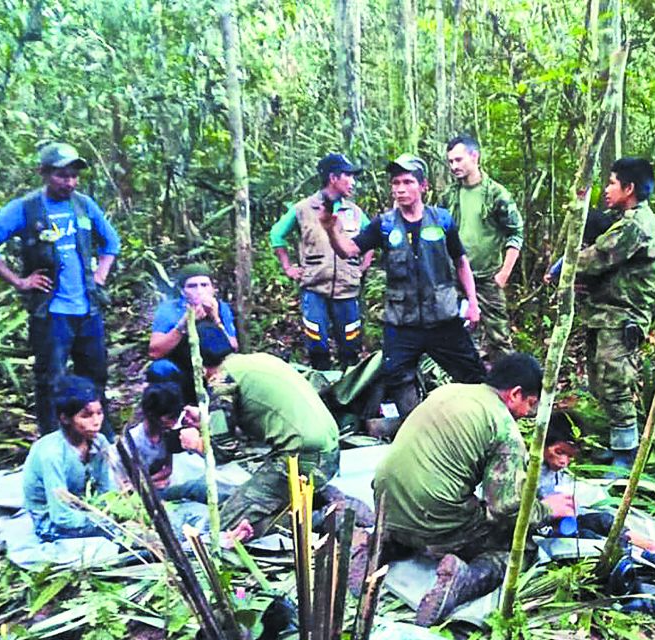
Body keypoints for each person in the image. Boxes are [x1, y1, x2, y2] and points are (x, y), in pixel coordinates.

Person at [372, 353, 575, 626]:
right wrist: (547, 509)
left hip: (384, 502)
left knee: (436, 506)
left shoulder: (449, 391)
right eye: (529, 404)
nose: (527, 414)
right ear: (515, 393)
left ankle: (385, 543)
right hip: (433, 516)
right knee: (520, 550)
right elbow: (505, 508)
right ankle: (463, 581)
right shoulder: (504, 428)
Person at [0, 142, 120, 437]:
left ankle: (101, 436)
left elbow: (111, 243)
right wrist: (19, 281)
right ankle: (54, 440)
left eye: (74, 176)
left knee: (96, 376)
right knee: (51, 380)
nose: (70, 182)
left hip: (87, 309)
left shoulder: (84, 205)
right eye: (62, 175)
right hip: (51, 314)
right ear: (43, 173)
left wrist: (99, 276)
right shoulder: (26, 209)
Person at [322, 154, 486, 416]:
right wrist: (331, 229)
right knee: (396, 375)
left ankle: (478, 423)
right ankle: (415, 425)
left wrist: (473, 303)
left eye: (408, 182)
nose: (400, 189)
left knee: (472, 375)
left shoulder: (442, 220)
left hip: (443, 317)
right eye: (395, 182)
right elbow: (348, 250)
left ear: (423, 186)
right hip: (401, 321)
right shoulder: (384, 225)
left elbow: (461, 262)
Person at [571, 158, 655, 471]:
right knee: (600, 381)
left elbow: (596, 258)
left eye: (611, 183)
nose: (606, 190)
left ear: (629, 188)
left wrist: (563, 268)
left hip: (622, 318)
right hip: (604, 314)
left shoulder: (635, 226)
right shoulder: (622, 218)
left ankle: (626, 456)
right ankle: (616, 444)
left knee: (616, 383)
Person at [203, 352, 349, 545]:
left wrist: (198, 442)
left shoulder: (222, 379)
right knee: (244, 503)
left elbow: (223, 450)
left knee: (222, 528)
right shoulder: (257, 360)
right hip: (328, 451)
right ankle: (319, 503)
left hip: (302, 458)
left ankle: (321, 519)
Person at [270, 153, 374, 370]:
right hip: (314, 287)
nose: (353, 182)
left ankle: (350, 391)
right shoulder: (303, 209)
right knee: (317, 343)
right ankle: (321, 386)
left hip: (347, 289)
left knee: (350, 344)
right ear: (333, 178)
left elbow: (370, 237)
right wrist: (288, 267)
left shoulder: (354, 212)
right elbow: (277, 235)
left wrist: (364, 265)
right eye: (348, 176)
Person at [537, 411, 655, 560]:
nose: (564, 461)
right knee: (590, 538)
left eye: (570, 456)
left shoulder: (555, 472)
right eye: (559, 452)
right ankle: (643, 556)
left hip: (563, 521)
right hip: (540, 527)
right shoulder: (528, 470)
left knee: (605, 521)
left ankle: (651, 546)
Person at [443, 135, 524, 361]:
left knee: (499, 339)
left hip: (488, 278)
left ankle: (507, 390)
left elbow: (516, 232)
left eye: (458, 160)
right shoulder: (449, 195)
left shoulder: (496, 194)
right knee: (456, 338)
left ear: (474, 156)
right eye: (450, 162)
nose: (454, 166)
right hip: (455, 279)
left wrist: (503, 274)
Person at [22, 375, 114, 541]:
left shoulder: (100, 442)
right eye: (86, 416)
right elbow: (60, 515)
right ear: (65, 418)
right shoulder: (52, 454)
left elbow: (107, 490)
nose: (96, 422)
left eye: (99, 413)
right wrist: (102, 521)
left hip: (88, 510)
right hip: (53, 521)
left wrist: (111, 510)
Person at [148, 263, 238, 402]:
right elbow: (155, 352)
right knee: (160, 369)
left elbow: (233, 347)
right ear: (183, 291)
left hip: (213, 372)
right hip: (182, 370)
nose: (199, 290)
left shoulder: (220, 308)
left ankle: (223, 408)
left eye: (204, 285)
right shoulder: (170, 310)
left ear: (213, 289)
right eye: (192, 286)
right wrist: (183, 325)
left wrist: (216, 319)